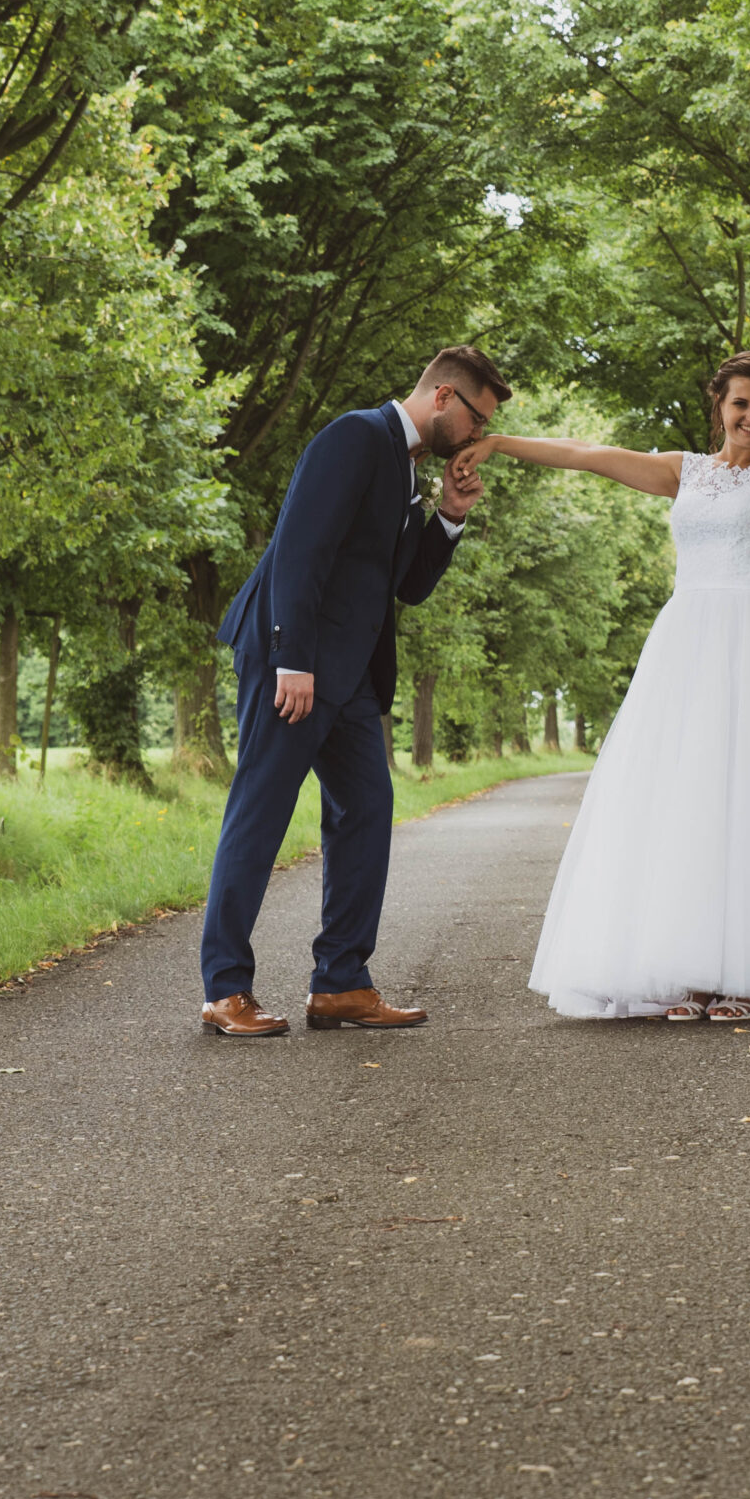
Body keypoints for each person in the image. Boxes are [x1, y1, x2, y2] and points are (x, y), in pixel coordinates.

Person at [456, 350, 750, 1021]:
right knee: (688, 801)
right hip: (687, 645)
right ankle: (695, 973)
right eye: (741, 404)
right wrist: (497, 443)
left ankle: (747, 977)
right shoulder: (683, 473)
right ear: (719, 407)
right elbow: (586, 452)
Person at [197, 346, 511, 1038]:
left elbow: (406, 586)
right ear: (443, 399)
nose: (479, 438)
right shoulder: (354, 436)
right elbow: (301, 547)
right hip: (297, 663)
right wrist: (292, 658)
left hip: (352, 678)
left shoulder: (404, 470)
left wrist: (451, 516)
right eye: (478, 420)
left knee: (368, 811)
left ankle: (340, 983)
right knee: (261, 812)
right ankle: (225, 990)